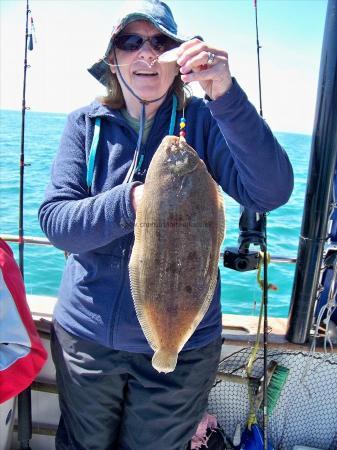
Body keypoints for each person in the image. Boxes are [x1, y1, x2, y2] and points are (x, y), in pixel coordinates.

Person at [38, 1, 294, 449]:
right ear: (113, 59)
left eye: (161, 42)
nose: (147, 53)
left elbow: (269, 191)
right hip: (88, 340)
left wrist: (226, 94)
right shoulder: (86, 124)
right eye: (131, 41)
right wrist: (135, 201)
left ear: (179, 60)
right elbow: (58, 222)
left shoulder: (206, 121)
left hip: (185, 349)